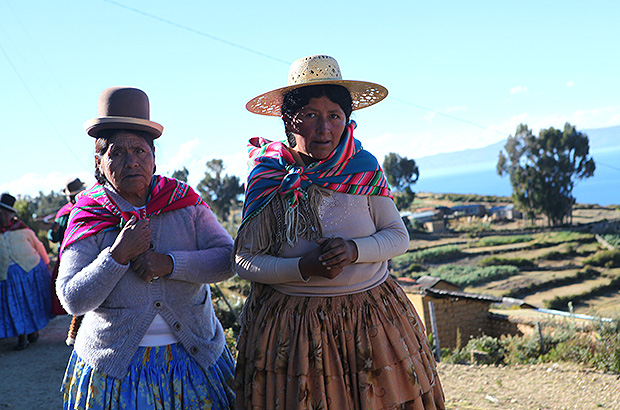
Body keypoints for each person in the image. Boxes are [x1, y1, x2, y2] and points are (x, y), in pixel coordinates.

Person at [234, 55, 445, 409]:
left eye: (334, 116)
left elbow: (397, 235)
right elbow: (244, 260)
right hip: (293, 332)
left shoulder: (362, 167)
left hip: (371, 321)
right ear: (289, 120)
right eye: (311, 116)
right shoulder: (268, 176)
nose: (324, 128)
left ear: (347, 121)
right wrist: (303, 268)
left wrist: (353, 250)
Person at [56, 86, 236, 410]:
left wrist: (169, 264)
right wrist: (116, 256)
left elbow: (227, 259)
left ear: (154, 157)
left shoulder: (184, 203)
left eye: (139, 151)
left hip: (195, 362)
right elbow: (72, 297)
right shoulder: (88, 214)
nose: (131, 162)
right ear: (99, 161)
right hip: (115, 372)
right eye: (117, 153)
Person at [0, 192, 52, 350]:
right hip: (7, 276)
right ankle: (22, 335)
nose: (2, 216)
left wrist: (47, 264)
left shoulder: (23, 230)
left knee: (30, 303)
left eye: (4, 213)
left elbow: (39, 247)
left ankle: (32, 332)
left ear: (11, 215)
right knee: (16, 306)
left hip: (30, 272)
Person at [48, 177, 86, 317]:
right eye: (70, 197)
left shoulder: (90, 207)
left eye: (74, 196)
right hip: (67, 256)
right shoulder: (64, 214)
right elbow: (53, 237)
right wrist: (54, 231)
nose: (72, 199)